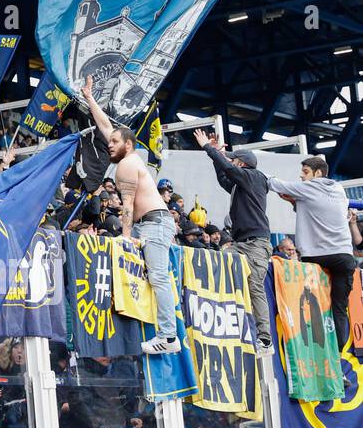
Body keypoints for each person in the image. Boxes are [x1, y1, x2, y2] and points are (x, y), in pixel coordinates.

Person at [82, 76, 178, 355]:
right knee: (150, 274)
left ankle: (169, 337)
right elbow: (107, 128)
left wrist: (126, 237)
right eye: (109, 142)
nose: (109, 144)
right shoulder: (128, 155)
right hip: (151, 223)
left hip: (153, 224)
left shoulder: (126, 165)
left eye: (114, 142)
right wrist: (90, 98)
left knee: (159, 277)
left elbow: (127, 205)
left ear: (128, 144)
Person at [193, 128, 273, 351]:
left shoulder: (255, 177)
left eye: (234, 160)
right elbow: (223, 175)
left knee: (255, 286)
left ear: (242, 164)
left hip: (256, 244)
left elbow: (227, 168)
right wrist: (217, 154)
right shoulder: (241, 184)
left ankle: (265, 339)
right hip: (241, 244)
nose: (231, 163)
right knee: (217, 264)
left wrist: (209, 149)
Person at [268, 155, 355, 349]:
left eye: (305, 172)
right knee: (339, 309)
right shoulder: (339, 189)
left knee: (309, 306)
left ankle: (311, 349)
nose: (301, 176)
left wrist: (249, 171)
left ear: (318, 174)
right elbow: (318, 208)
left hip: (317, 256)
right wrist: (295, 203)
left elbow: (276, 185)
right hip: (344, 256)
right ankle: (338, 360)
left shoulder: (310, 187)